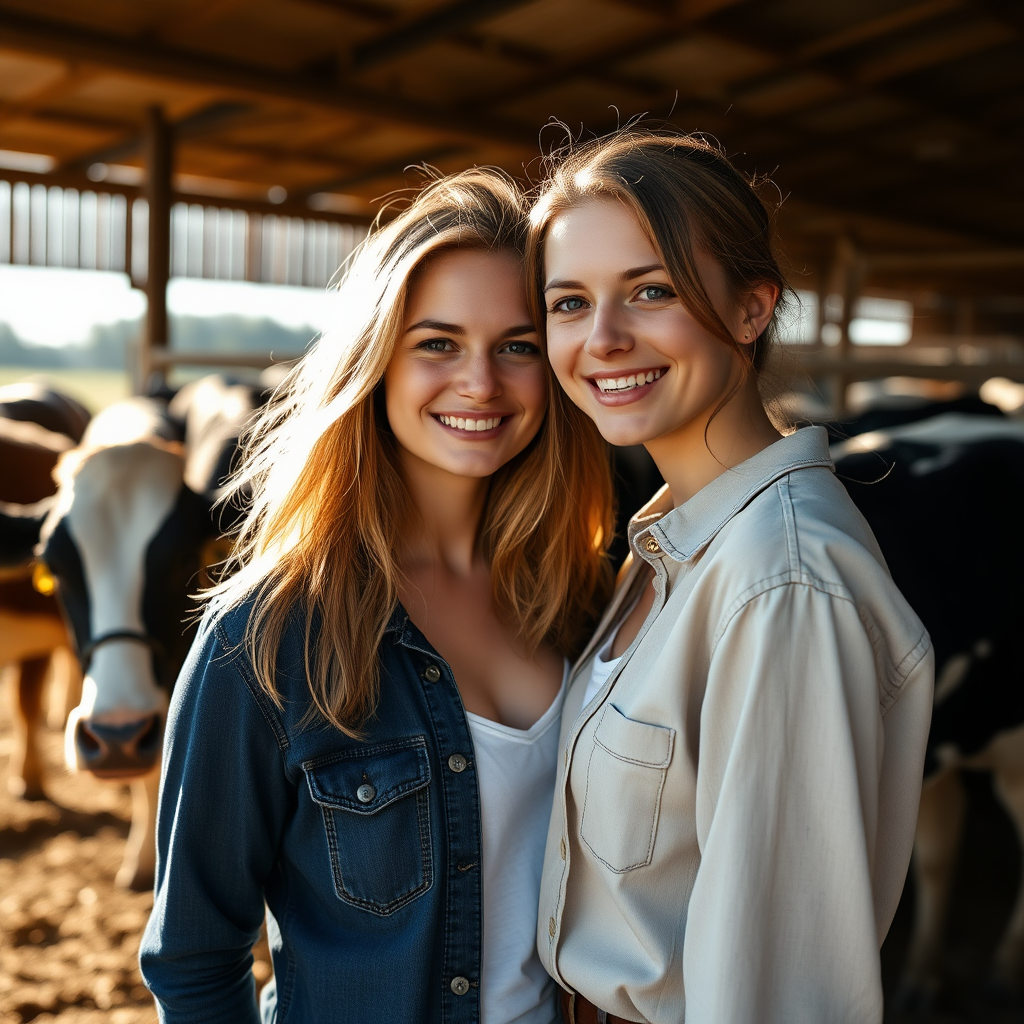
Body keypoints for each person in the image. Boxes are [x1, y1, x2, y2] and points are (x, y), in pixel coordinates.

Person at [139, 168, 613, 1024]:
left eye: (519, 345)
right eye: (437, 343)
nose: (481, 383)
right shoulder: (267, 636)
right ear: (374, 360)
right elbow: (195, 958)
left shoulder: (588, 601)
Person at [527, 131, 935, 1024]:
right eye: (568, 302)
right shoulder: (673, 542)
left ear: (754, 309)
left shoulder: (780, 582)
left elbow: (780, 992)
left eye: (652, 290)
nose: (602, 339)